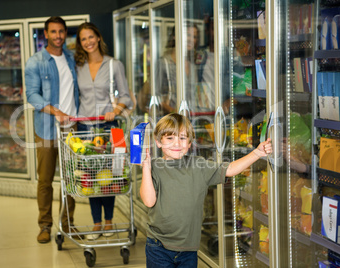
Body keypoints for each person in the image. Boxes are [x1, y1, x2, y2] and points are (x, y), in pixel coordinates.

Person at [140, 113, 272, 267]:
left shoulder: (199, 166)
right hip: (158, 246)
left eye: (182, 138)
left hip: (189, 248)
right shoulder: (154, 168)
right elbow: (149, 201)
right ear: (158, 142)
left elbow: (229, 169)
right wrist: (146, 169)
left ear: (189, 143)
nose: (176, 143)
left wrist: (257, 152)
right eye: (170, 138)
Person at [74, 22, 133, 240]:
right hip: (84, 128)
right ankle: (96, 224)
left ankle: (109, 222)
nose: (88, 42)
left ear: (98, 38)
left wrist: (115, 110)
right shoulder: (78, 67)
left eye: (91, 37)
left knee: (107, 176)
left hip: (108, 127)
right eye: (83, 39)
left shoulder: (113, 65)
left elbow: (125, 95)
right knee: (90, 175)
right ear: (80, 43)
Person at [25, 16, 80, 243]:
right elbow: (32, 95)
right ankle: (45, 226)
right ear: (46, 34)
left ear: (65, 33)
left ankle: (68, 224)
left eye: (61, 31)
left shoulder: (71, 57)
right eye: (53, 32)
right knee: (45, 180)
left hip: (72, 129)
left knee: (70, 179)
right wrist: (56, 111)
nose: (58, 36)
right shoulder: (36, 61)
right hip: (47, 128)